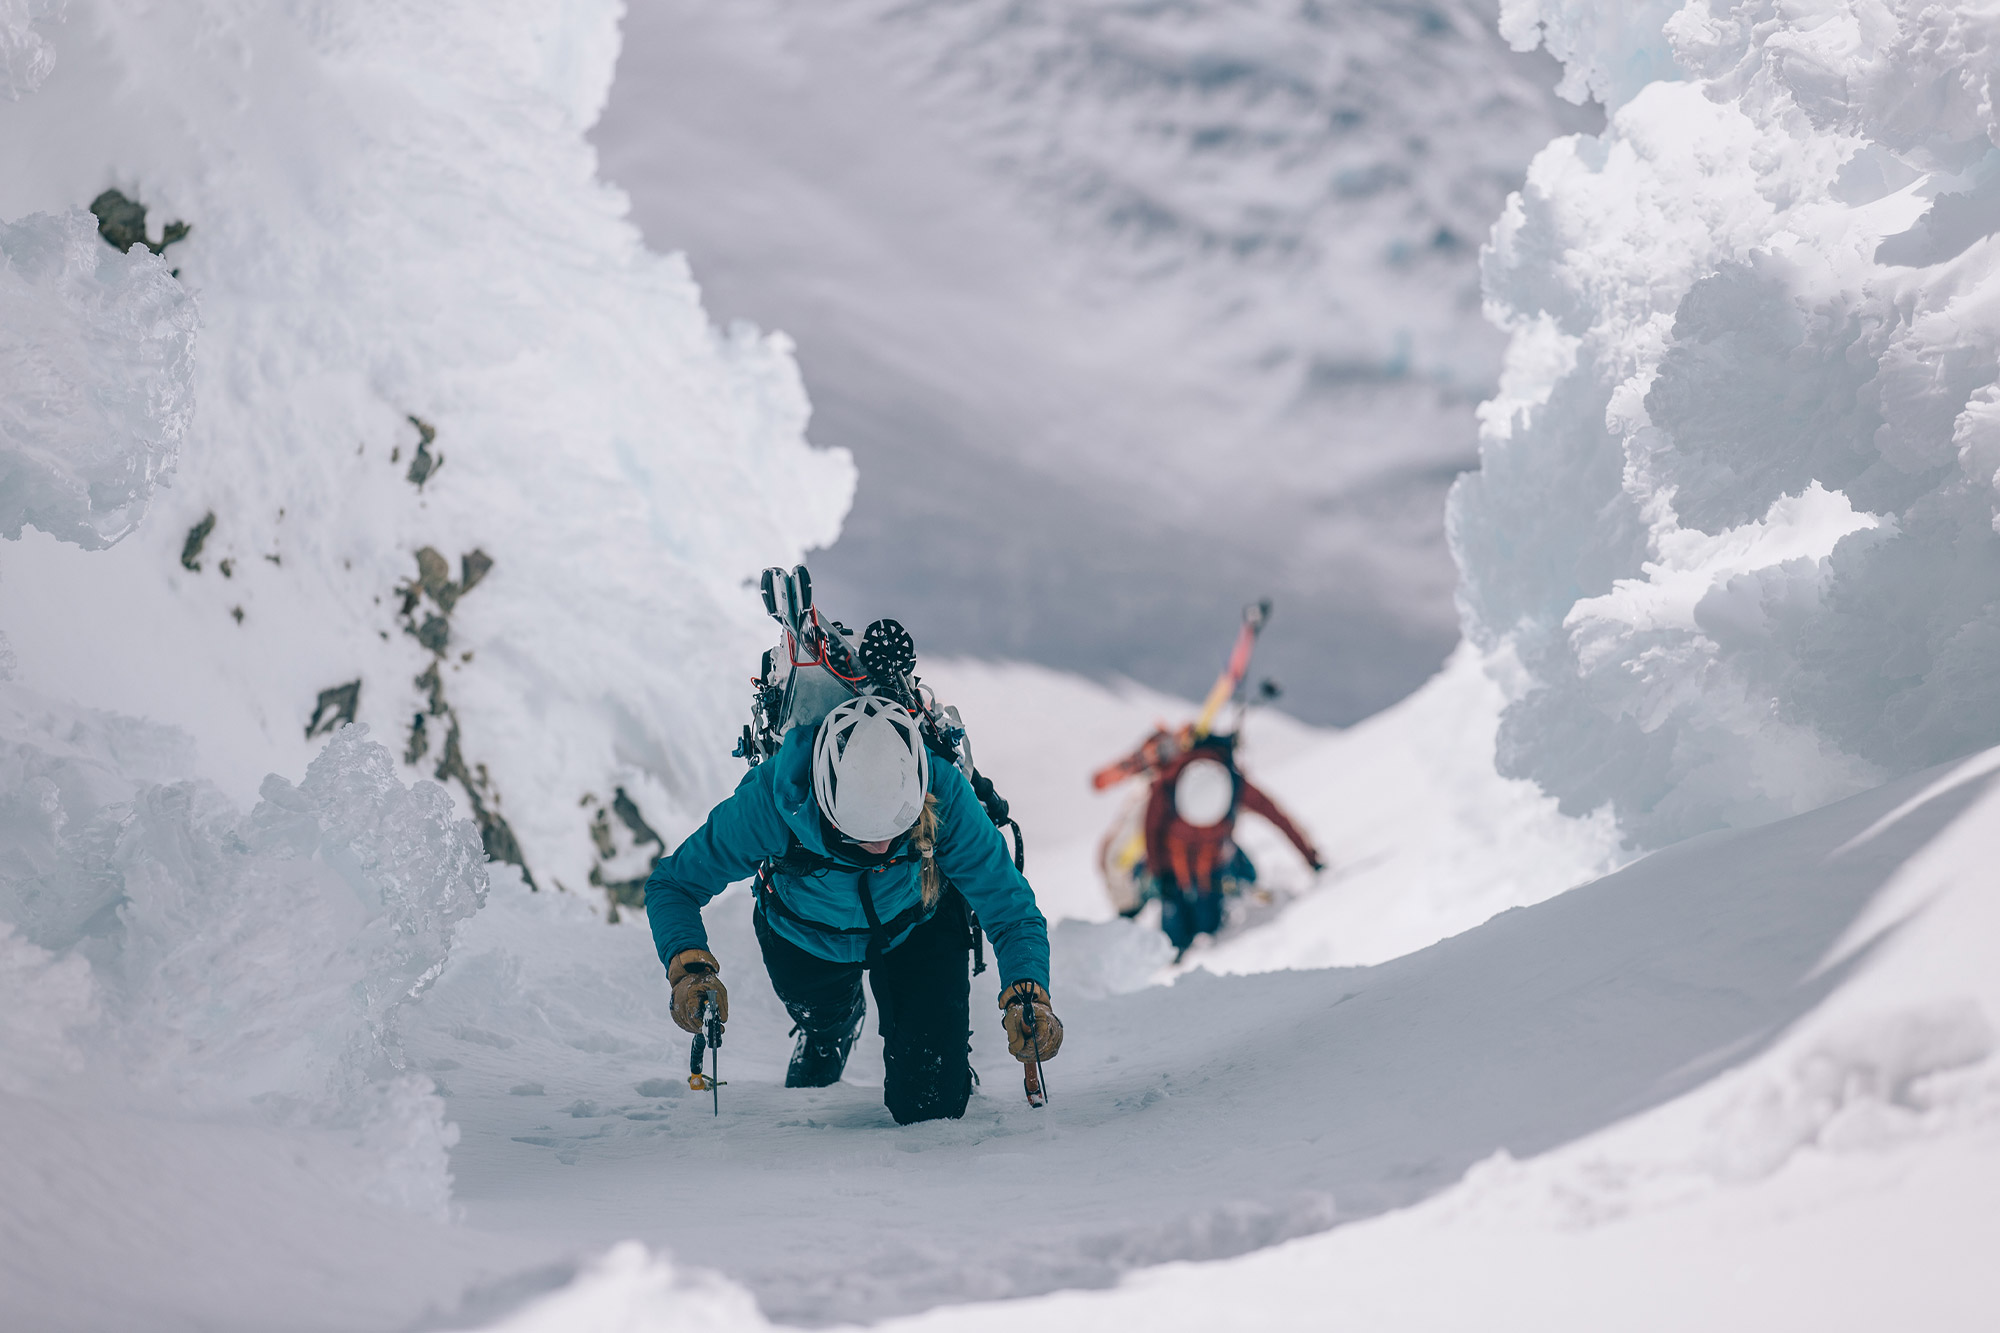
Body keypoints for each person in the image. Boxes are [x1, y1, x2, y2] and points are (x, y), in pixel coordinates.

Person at [644, 695, 1062, 1124]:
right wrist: (689, 969)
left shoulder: (944, 792)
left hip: (916, 924)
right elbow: (673, 884)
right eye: (860, 832)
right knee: (825, 1015)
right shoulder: (774, 800)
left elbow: (1010, 907)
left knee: (932, 1107)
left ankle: (917, 1048)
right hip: (804, 934)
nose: (880, 846)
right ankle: (829, 1031)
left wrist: (1028, 993)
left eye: (896, 827)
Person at [1143, 733, 1321, 959]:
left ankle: (1239, 888)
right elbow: (1151, 832)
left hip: (1211, 870)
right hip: (1174, 872)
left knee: (1207, 924)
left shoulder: (1232, 784)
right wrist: (1158, 874)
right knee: (1174, 935)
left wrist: (1310, 857)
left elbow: (1277, 817)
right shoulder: (1169, 783)